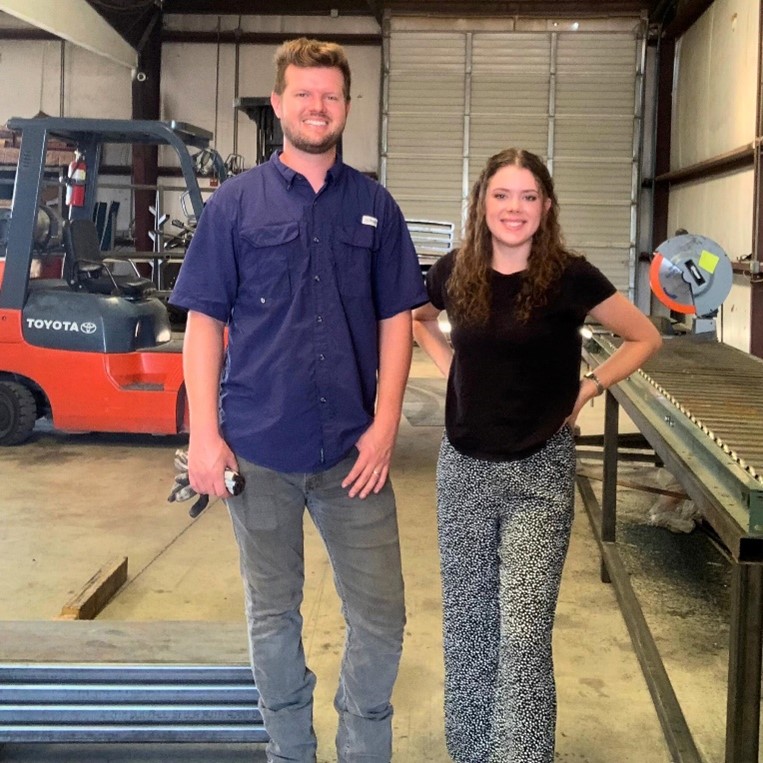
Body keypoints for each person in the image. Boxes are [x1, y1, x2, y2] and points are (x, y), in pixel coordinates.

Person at [169, 38, 427, 763]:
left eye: (331, 95)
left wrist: (384, 428)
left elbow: (397, 323)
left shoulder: (375, 207)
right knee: (272, 613)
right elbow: (204, 323)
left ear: (347, 106)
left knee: (381, 617)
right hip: (259, 451)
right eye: (304, 94)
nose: (318, 106)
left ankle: (362, 747)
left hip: (354, 455)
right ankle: (289, 750)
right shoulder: (234, 205)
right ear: (279, 104)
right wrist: (204, 436)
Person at [412, 148, 662, 763]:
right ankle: (472, 752)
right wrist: (450, 365)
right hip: (464, 469)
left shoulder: (570, 277)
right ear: (482, 203)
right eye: (502, 195)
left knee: (523, 634)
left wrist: (591, 385)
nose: (514, 208)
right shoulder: (453, 271)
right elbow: (417, 320)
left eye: (528, 197)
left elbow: (644, 336)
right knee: (470, 626)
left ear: (546, 207)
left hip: (538, 474)